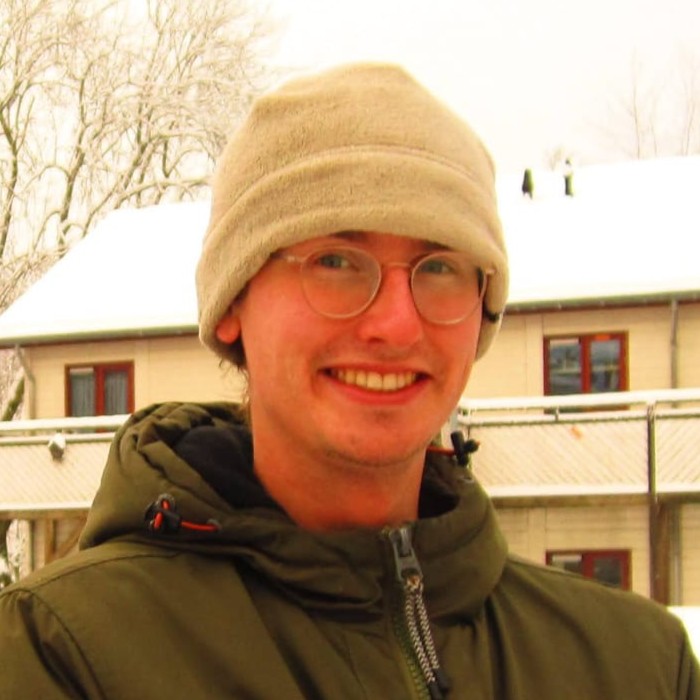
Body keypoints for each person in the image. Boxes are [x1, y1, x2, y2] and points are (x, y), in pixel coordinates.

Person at [0, 62, 697, 700]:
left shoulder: (637, 665)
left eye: (440, 267)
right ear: (235, 300)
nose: (396, 324)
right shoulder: (61, 653)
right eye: (335, 260)